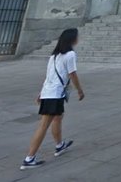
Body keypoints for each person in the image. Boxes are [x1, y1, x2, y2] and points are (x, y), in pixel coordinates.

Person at [21, 28, 85, 169]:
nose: (78, 38)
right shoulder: (70, 55)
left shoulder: (54, 56)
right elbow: (72, 74)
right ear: (72, 39)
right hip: (54, 94)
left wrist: (41, 93)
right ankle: (29, 158)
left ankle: (59, 145)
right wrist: (80, 90)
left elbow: (49, 76)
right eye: (77, 36)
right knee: (44, 125)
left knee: (58, 117)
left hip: (49, 92)